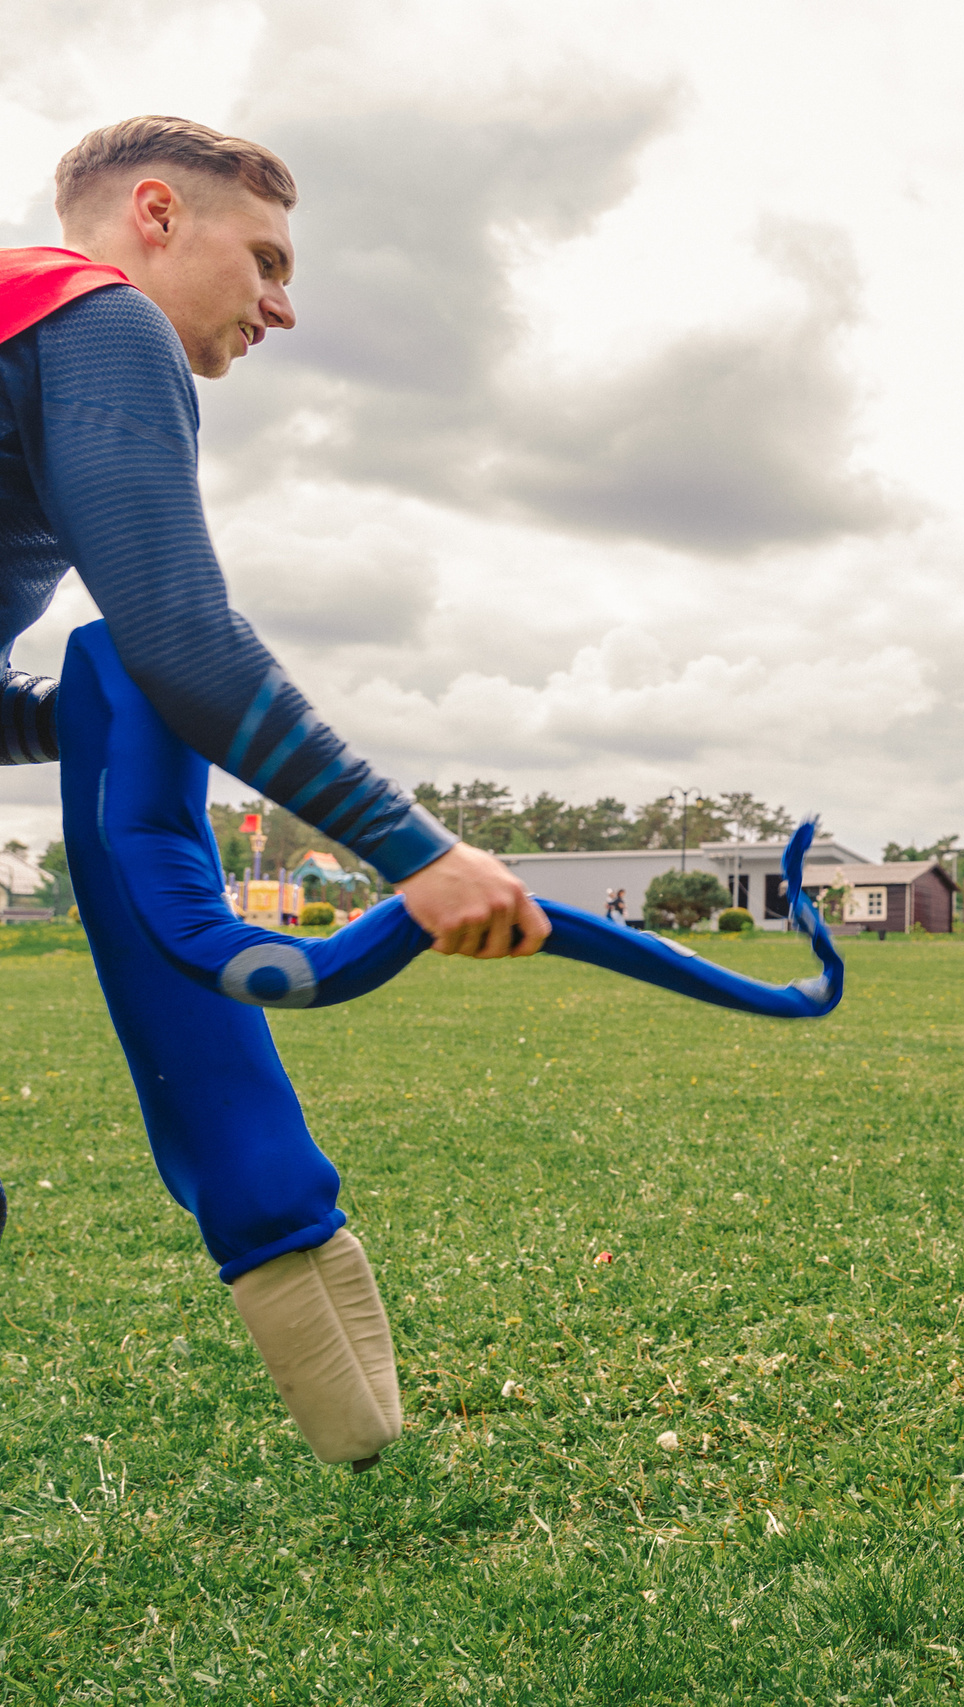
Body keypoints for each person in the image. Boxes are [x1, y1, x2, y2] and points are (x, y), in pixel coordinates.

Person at [0, 119, 542, 1469]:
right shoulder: (93, 313)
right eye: (268, 257)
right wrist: (413, 851)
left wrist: (68, 720)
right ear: (155, 213)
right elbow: (186, 643)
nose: (284, 305)